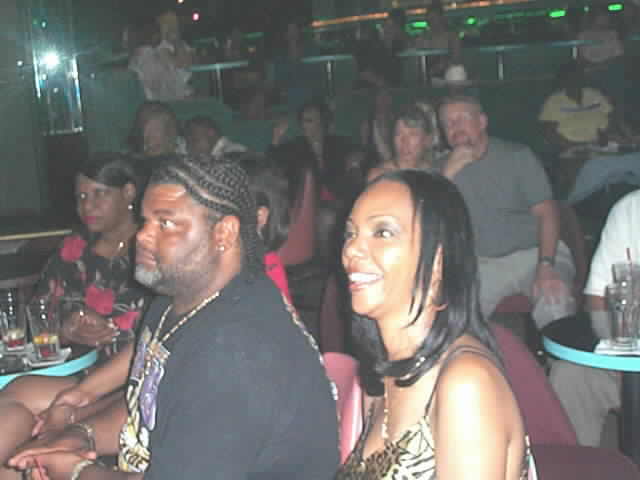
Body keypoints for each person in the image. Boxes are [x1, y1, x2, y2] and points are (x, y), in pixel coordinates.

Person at [8, 157, 339, 480]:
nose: (142, 236)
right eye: (145, 221)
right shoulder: (175, 299)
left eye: (165, 223)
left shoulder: (236, 350)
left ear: (224, 233)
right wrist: (82, 436)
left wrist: (77, 472)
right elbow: (151, 408)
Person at [337, 169, 531, 479]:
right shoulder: (384, 371)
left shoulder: (466, 386)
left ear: (438, 260)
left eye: (382, 232)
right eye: (351, 234)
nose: (351, 250)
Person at [0, 152, 150, 480]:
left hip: (132, 377)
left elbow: (162, 328)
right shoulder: (74, 249)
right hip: (86, 372)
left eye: (99, 194)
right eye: (81, 197)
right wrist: (67, 329)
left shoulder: (151, 250)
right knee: (17, 392)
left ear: (128, 192)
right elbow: (39, 314)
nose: (87, 206)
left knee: (25, 438)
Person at [439, 95, 576, 329]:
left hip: (536, 253)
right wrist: (447, 174)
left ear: (482, 122)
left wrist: (546, 265)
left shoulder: (517, 156)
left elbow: (547, 213)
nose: (456, 127)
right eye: (448, 123)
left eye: (462, 118)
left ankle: (564, 353)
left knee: (555, 304)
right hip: (482, 264)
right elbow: (428, 219)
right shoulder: (441, 170)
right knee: (454, 324)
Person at [549, 189, 640, 446]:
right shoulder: (631, 209)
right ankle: (574, 464)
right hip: (630, 360)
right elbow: (597, 298)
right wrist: (619, 358)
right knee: (570, 376)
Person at [367, 101, 444, 181]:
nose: (404, 141)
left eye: (412, 134)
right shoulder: (379, 176)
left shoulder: (434, 173)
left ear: (427, 140)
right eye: (398, 133)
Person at [414, 3, 461, 78]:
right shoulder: (423, 37)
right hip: (428, 75)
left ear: (442, 18)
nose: (431, 22)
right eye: (429, 19)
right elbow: (418, 59)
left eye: (433, 18)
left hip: (449, 75)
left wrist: (442, 66)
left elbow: (456, 58)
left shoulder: (452, 36)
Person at [180, 115, 247, 160]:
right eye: (187, 142)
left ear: (211, 133)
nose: (188, 146)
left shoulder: (235, 151)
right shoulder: (184, 148)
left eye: (194, 140)